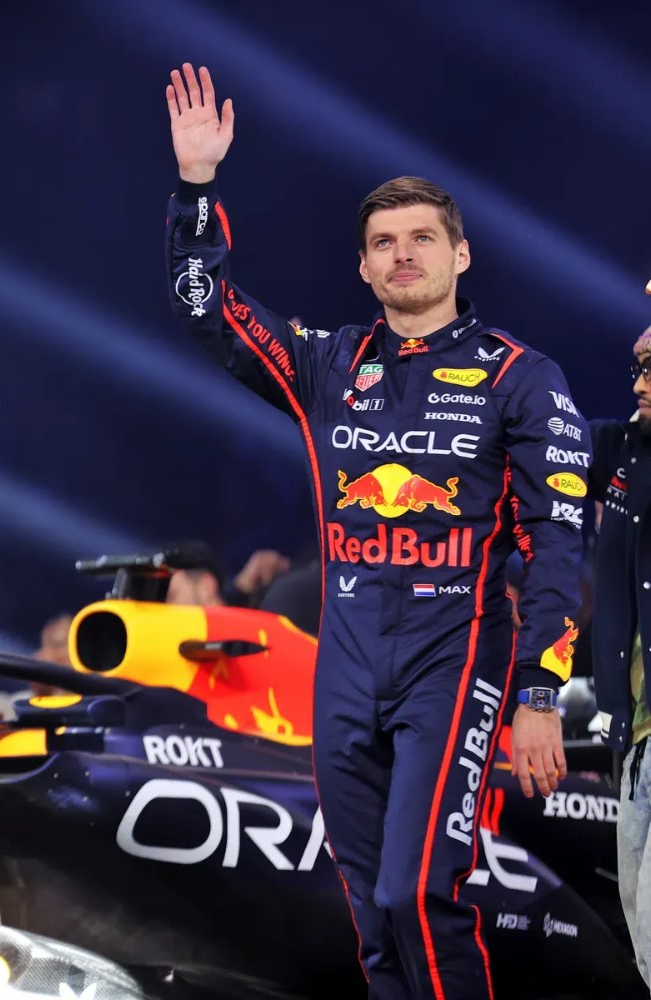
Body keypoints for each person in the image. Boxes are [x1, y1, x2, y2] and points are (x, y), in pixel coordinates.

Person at [165, 63, 587, 997]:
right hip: (346, 665)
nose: (403, 255)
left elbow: (558, 540)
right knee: (367, 912)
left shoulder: (524, 378)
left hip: (458, 657)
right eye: (383, 243)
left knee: (415, 895)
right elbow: (208, 311)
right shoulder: (327, 365)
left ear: (459, 256)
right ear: (361, 266)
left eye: (422, 239)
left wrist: (540, 691)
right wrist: (197, 189)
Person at [588, 325, 651, 988]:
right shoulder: (623, 452)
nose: (637, 385)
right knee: (644, 948)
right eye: (637, 367)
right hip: (633, 737)